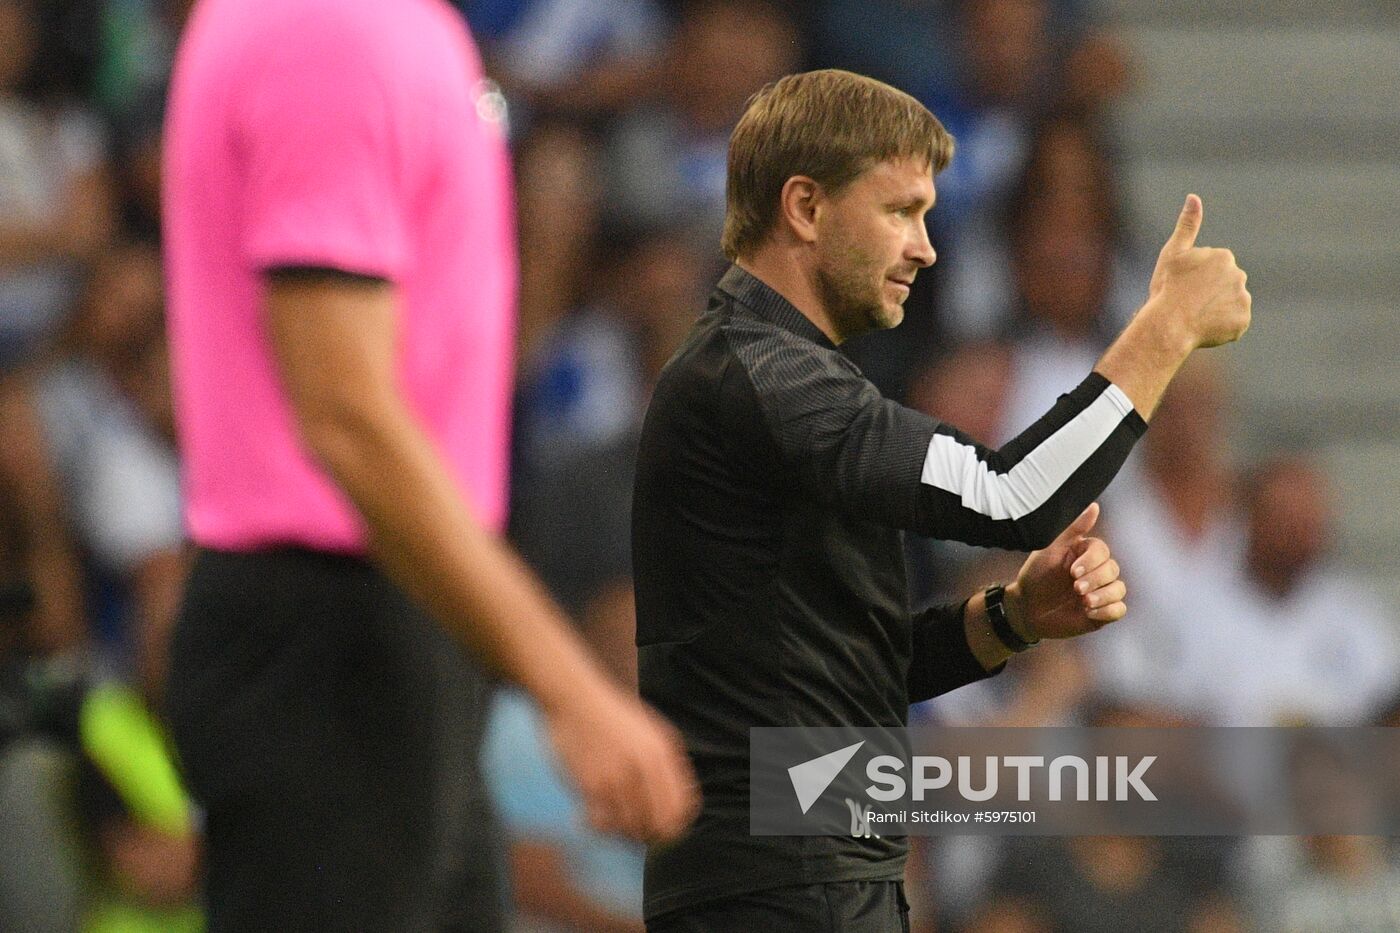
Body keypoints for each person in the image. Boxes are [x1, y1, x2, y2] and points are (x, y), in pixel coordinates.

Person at [632, 69, 1250, 931]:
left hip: (801, 867)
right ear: (805, 208)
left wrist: (1014, 616)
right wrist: (1166, 329)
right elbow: (1014, 498)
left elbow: (858, 665)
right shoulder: (770, 377)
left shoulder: (771, 381)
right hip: (780, 882)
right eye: (900, 211)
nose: (926, 246)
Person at [161, 1, 697, 930]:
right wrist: (573, 693)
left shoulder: (379, 26)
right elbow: (346, 414)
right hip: (334, 650)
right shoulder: (331, 30)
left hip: (393, 629)